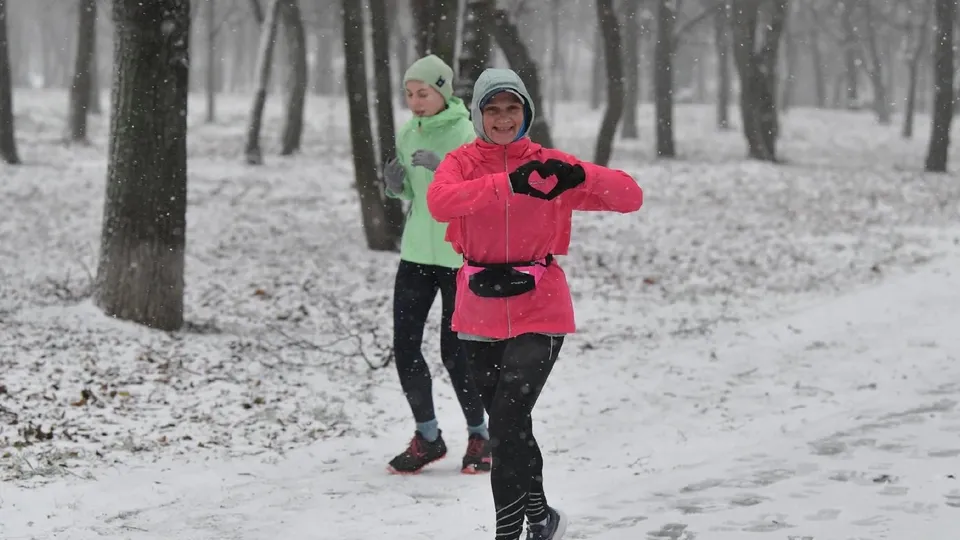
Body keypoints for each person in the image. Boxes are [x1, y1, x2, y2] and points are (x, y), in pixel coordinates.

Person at [425, 68, 644, 540]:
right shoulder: (461, 162)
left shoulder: (550, 165)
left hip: (539, 307)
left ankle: (509, 534)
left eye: (512, 107)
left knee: (504, 423)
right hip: (477, 309)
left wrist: (580, 173)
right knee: (512, 424)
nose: (503, 118)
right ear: (480, 115)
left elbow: (631, 197)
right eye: (492, 109)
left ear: (526, 111)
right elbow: (440, 203)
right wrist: (508, 183)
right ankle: (541, 516)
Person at [380, 54, 492, 475]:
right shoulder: (408, 133)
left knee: (456, 352)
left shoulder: (467, 133)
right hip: (415, 254)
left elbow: (480, 191)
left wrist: (446, 168)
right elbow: (412, 189)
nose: (414, 101)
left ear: (442, 92)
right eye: (409, 93)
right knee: (405, 346)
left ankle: (480, 435)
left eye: (422, 93)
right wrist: (395, 187)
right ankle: (428, 437)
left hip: (456, 255)